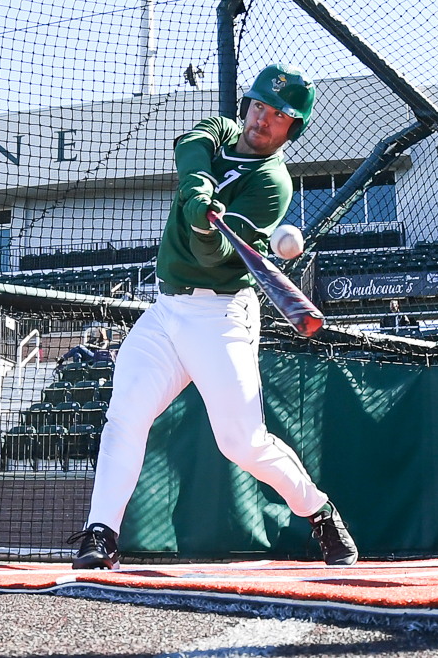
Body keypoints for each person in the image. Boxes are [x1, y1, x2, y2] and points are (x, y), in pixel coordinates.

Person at [67, 64, 358, 569]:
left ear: (293, 127)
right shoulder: (221, 131)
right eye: (260, 106)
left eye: (278, 115)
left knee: (242, 443)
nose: (262, 120)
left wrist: (204, 224)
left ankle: (319, 510)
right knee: (125, 418)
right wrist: (198, 191)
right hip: (165, 310)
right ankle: (101, 535)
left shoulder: (273, 186)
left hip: (220, 315)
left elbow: (208, 256)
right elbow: (190, 141)